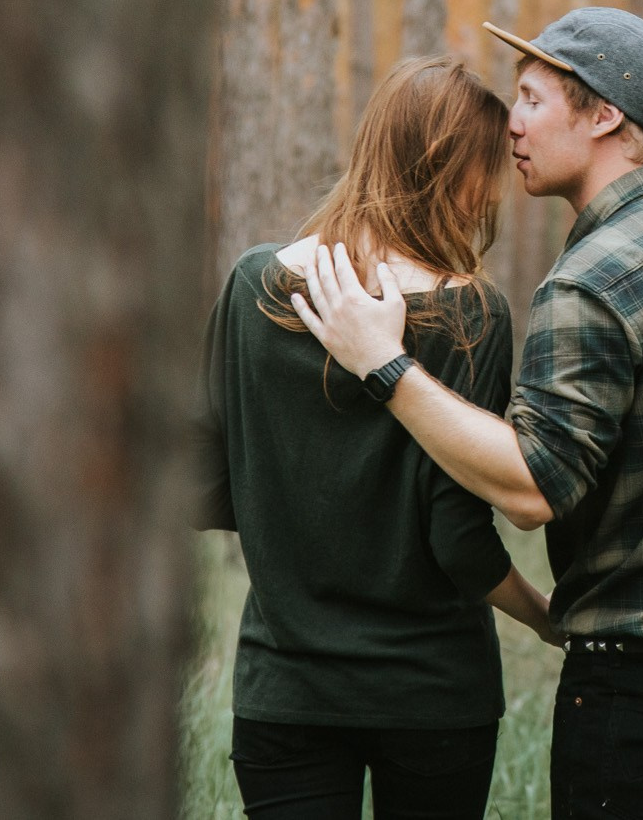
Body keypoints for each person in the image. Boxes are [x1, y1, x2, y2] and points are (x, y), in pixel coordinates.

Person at [295, 7, 643, 820]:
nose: (508, 122)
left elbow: (530, 487)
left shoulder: (596, 276)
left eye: (532, 98)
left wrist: (386, 367)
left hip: (637, 696)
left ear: (604, 114)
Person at [191, 55, 559, 820]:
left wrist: (301, 515)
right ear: (446, 168)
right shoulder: (471, 314)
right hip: (430, 694)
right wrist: (544, 613)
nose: (490, 191)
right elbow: (457, 537)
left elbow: (212, 476)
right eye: (484, 168)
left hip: (285, 691)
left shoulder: (256, 283)